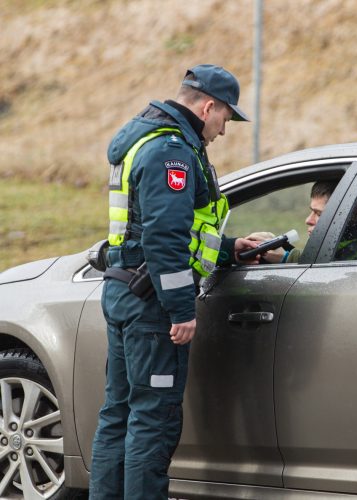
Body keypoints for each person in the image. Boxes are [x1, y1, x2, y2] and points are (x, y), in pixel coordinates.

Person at [90, 64, 258, 500]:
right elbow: (164, 239)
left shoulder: (143, 140)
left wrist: (230, 248)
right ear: (207, 107)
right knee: (153, 421)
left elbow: (154, 232)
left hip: (125, 290)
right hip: (153, 307)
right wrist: (182, 310)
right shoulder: (172, 152)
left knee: (119, 416)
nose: (223, 130)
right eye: (225, 119)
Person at [249, 182, 357, 263]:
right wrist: (281, 247)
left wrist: (288, 258)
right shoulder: (340, 245)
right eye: (311, 211)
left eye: (319, 214)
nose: (308, 220)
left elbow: (330, 280)